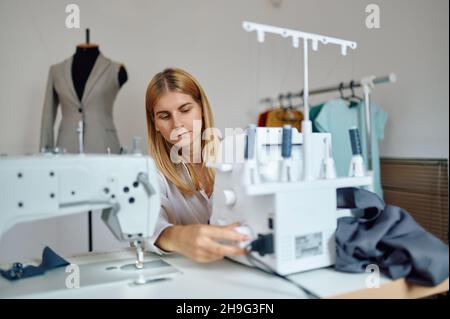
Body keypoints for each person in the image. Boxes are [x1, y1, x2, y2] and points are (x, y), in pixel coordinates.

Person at [144, 68, 248, 263]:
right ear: (155, 123)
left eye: (185, 110)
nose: (177, 124)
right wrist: (180, 237)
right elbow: (147, 225)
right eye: (164, 116)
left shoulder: (238, 154)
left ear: (201, 108)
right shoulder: (154, 176)